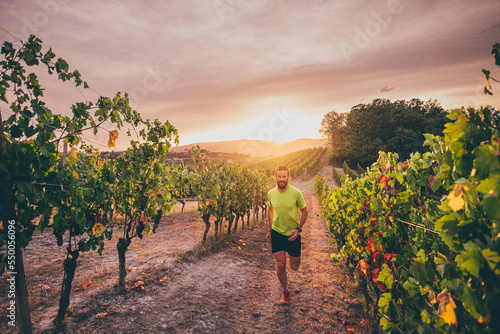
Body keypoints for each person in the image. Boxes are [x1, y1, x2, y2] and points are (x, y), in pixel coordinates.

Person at [266, 165, 308, 305]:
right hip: (277, 232)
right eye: (279, 176)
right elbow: (270, 211)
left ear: (288, 177)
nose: (282, 179)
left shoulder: (296, 193)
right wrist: (270, 230)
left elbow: (305, 212)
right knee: (281, 263)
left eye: (284, 176)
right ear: (276, 177)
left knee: (293, 267)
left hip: (292, 234)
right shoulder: (271, 193)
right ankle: (285, 291)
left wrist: (298, 229)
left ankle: (292, 260)